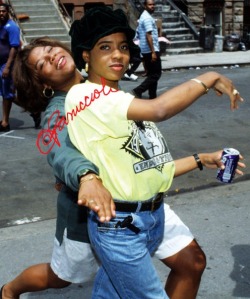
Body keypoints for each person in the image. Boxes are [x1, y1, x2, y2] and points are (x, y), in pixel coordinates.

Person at [66, 6, 244, 299]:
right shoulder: (84, 96)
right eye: (105, 47)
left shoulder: (121, 98)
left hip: (152, 216)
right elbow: (159, 109)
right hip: (120, 227)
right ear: (86, 55)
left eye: (123, 47)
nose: (118, 55)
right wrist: (209, 77)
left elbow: (153, 169)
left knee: (127, 288)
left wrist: (202, 159)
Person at [1, 36, 115, 299]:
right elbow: (60, 152)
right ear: (43, 83)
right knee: (62, 277)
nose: (52, 56)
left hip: (132, 200)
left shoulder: (102, 83)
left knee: (190, 260)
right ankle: (9, 290)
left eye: (52, 49)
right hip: (82, 212)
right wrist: (86, 176)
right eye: (42, 63)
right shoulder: (57, 111)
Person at [132, 0, 161, 99]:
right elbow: (148, 35)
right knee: (156, 74)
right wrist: (153, 52)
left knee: (152, 74)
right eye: (150, 4)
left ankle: (152, 96)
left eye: (153, 4)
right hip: (150, 50)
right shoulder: (147, 18)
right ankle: (138, 90)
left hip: (145, 50)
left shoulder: (143, 16)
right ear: (145, 6)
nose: (152, 6)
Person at [0, 3, 20, 132]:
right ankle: (33, 110)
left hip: (7, 64)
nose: (1, 13)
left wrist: (7, 67)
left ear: (8, 12)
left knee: (7, 93)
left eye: (3, 11)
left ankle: (5, 122)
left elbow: (14, 47)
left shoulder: (12, 27)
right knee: (5, 92)